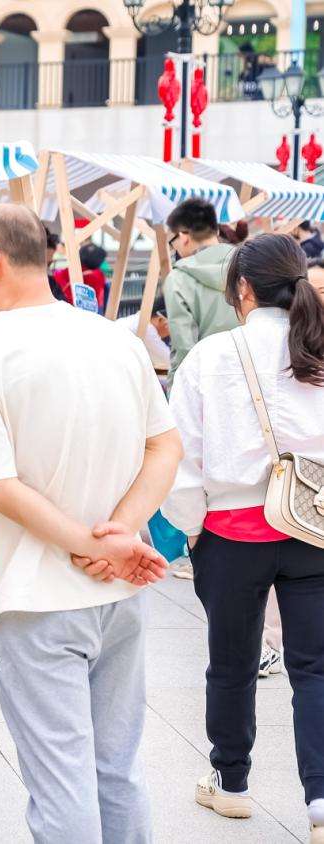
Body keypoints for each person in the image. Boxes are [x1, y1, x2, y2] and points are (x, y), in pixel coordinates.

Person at [0, 204, 180, 843]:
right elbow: (166, 448)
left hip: (39, 598)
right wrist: (122, 534)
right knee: (117, 772)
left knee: (61, 783)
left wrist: (89, 543)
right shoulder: (115, 339)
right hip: (119, 593)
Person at [161, 233, 324, 838]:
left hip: (231, 534)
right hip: (312, 528)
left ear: (243, 288)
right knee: (316, 668)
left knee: (230, 664)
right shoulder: (319, 346)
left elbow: (184, 457)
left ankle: (232, 783)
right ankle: (320, 802)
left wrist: (193, 529)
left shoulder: (211, 356)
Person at [163, 198, 239, 383]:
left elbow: (184, 348)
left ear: (183, 236)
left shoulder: (179, 279)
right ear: (217, 230)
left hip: (205, 381)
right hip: (253, 379)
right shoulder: (250, 265)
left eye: (173, 241)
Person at [115, 295, 172, 375]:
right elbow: (168, 360)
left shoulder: (138, 320)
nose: (170, 334)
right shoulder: (146, 328)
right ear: (161, 319)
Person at [51, 242, 108, 311]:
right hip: (93, 311)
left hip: (66, 308)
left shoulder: (66, 272)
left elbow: (56, 277)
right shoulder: (99, 275)